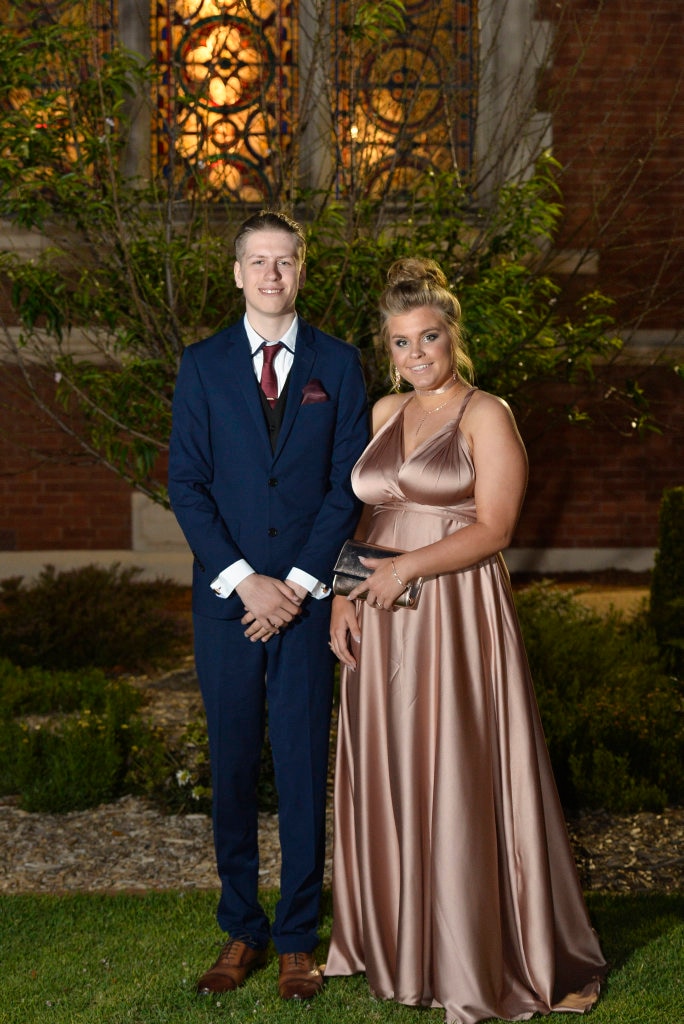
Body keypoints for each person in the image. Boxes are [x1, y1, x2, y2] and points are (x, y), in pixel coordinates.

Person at [325, 258, 606, 1023]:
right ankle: (396, 946)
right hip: (379, 616)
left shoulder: (487, 413)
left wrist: (409, 567)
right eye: (400, 343)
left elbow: (496, 528)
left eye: (428, 338)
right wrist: (342, 602)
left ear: (454, 337)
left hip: (453, 612)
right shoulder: (383, 413)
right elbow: (363, 520)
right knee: (394, 770)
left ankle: (473, 955)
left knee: (457, 768)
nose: (416, 355)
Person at [167, 210, 368, 1001]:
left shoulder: (340, 364)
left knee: (301, 769)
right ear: (238, 272)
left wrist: (298, 585)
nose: (272, 274)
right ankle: (241, 929)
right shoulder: (203, 364)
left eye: (285, 261)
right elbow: (188, 483)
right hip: (230, 607)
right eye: (258, 261)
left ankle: (295, 938)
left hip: (307, 604)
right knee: (235, 768)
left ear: (302, 270)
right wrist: (246, 580)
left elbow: (345, 483)